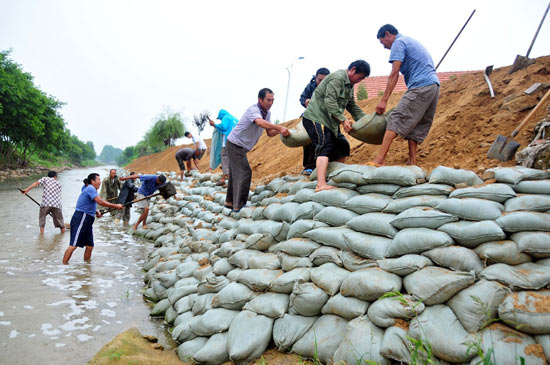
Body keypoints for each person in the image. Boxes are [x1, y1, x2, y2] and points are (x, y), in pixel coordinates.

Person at [370, 24, 440, 166]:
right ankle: (412, 161)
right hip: (434, 86)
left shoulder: (398, 43)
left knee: (395, 118)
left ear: (388, 34)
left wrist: (384, 100)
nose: (384, 47)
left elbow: (394, 73)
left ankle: (379, 160)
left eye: (382, 42)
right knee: (417, 124)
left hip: (420, 85)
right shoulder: (409, 41)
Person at [302, 60, 371, 192]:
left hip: (329, 122)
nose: (359, 81)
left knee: (342, 146)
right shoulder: (337, 78)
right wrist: (343, 120)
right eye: (360, 77)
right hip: (316, 118)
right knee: (324, 146)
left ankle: (333, 177)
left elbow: (352, 106)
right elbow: (330, 102)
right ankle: (320, 184)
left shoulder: (349, 85)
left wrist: (367, 121)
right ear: (353, 70)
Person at [225, 88, 290, 212]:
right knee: (245, 172)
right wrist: (279, 127)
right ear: (260, 99)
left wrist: (281, 131)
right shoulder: (253, 110)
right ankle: (239, 206)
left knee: (235, 174)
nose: (270, 103)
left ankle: (229, 202)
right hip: (234, 144)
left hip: (240, 146)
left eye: (272, 100)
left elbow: (269, 132)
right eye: (268, 100)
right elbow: (260, 123)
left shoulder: (267, 113)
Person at [62, 173, 123, 264]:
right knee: (74, 245)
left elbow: (90, 203)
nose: (100, 182)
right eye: (98, 180)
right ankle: (63, 266)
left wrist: (96, 212)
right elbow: (100, 201)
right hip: (82, 217)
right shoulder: (90, 188)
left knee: (90, 246)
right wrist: (115, 205)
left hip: (88, 219)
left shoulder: (91, 189)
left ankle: (87, 267)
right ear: (92, 181)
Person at [299, 67, 330, 175]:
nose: (321, 83)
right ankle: (308, 166)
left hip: (324, 118)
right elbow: (302, 98)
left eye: (324, 80)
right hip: (310, 117)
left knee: (320, 139)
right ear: (316, 78)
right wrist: (305, 101)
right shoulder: (311, 86)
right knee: (309, 140)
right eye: (319, 80)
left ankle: (316, 164)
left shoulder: (331, 88)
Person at [208, 109, 238, 187]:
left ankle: (231, 184)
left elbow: (223, 127)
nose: (221, 120)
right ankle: (223, 179)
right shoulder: (234, 119)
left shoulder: (226, 118)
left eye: (220, 118)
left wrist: (214, 125)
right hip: (236, 144)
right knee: (232, 162)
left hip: (227, 144)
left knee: (225, 162)